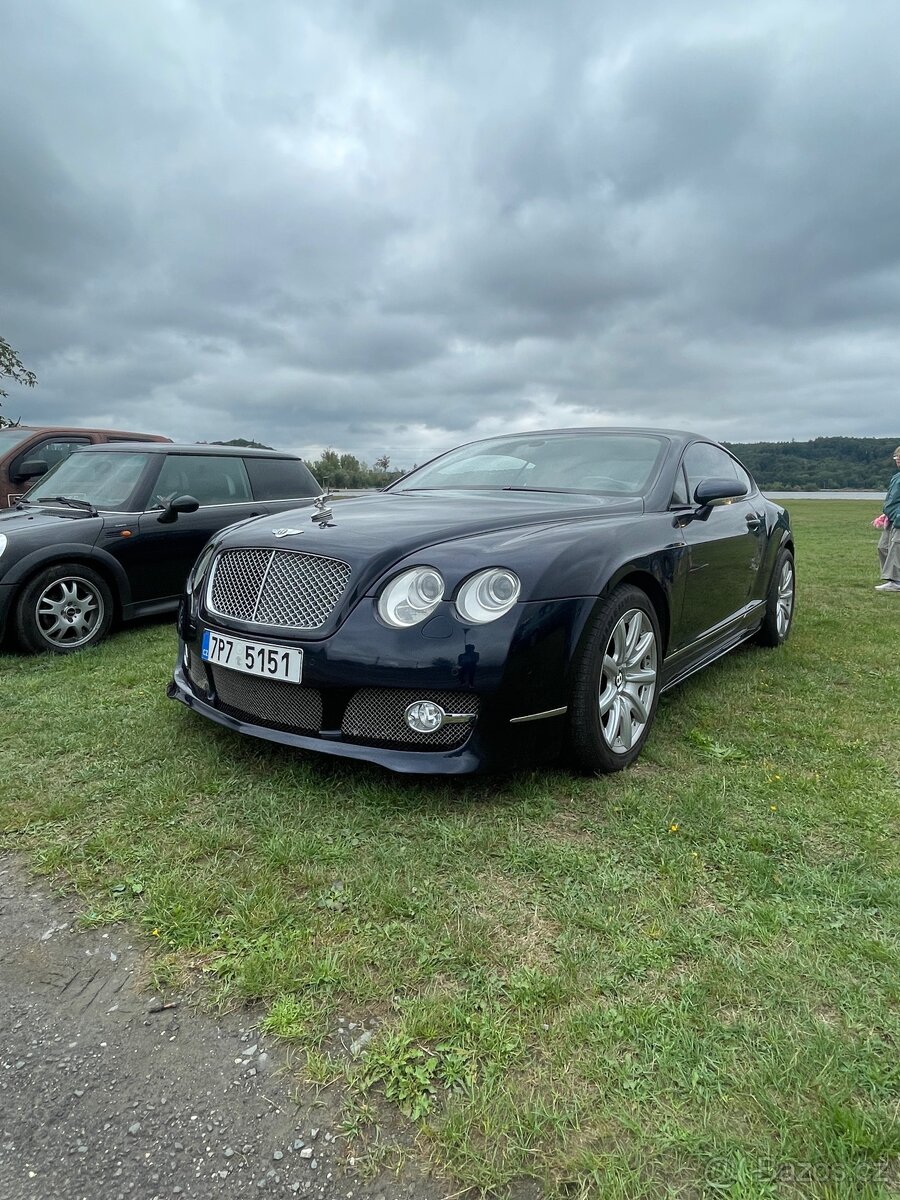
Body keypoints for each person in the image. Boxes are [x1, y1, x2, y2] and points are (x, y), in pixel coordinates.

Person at [875, 445, 900, 591]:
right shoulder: (896, 477)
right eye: (897, 457)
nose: (898, 460)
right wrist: (886, 513)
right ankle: (892, 578)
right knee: (883, 546)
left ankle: (896, 581)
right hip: (892, 517)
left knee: (897, 546)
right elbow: (893, 498)